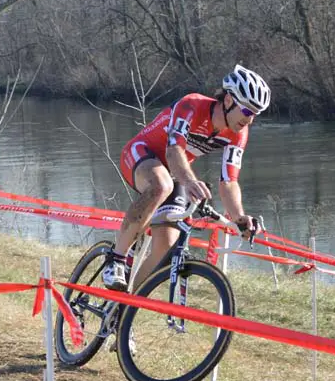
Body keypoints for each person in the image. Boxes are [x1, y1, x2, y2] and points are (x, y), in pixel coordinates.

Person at [101, 64, 271, 291]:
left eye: (256, 115)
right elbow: (174, 151)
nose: (250, 120)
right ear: (229, 100)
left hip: (174, 174)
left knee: (166, 245)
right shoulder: (192, 105)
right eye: (248, 111)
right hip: (142, 154)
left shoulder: (238, 134)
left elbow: (229, 180)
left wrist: (240, 216)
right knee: (161, 184)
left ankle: (124, 309)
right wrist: (191, 182)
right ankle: (116, 259)